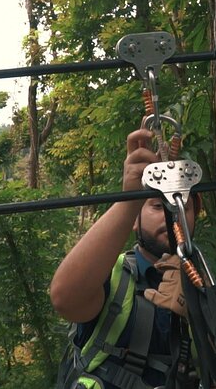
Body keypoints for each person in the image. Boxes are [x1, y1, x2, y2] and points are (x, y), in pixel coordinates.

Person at [51, 128, 199, 389]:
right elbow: (65, 297)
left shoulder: (204, 285)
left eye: (183, 206)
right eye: (156, 205)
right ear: (134, 221)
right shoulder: (114, 278)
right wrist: (129, 199)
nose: (171, 214)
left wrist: (199, 310)